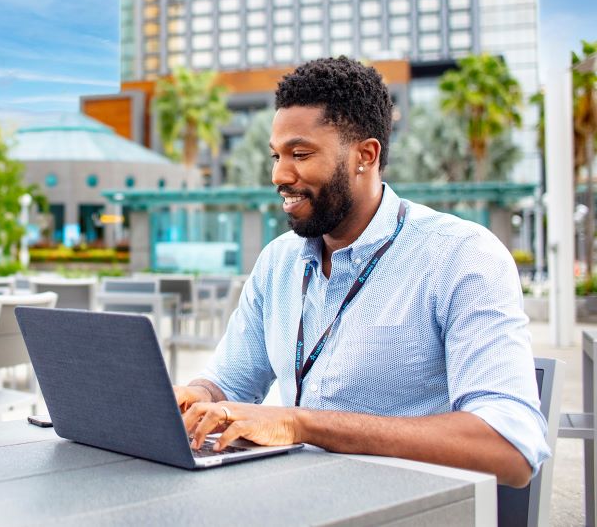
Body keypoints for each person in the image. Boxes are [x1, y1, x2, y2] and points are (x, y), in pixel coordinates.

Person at [176, 56, 547, 488]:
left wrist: (303, 424)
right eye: (276, 155)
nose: (279, 174)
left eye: (300, 153)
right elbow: (228, 383)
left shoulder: (461, 256)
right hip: (294, 500)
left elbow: (511, 447)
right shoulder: (278, 261)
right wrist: (196, 398)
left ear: (365, 156)